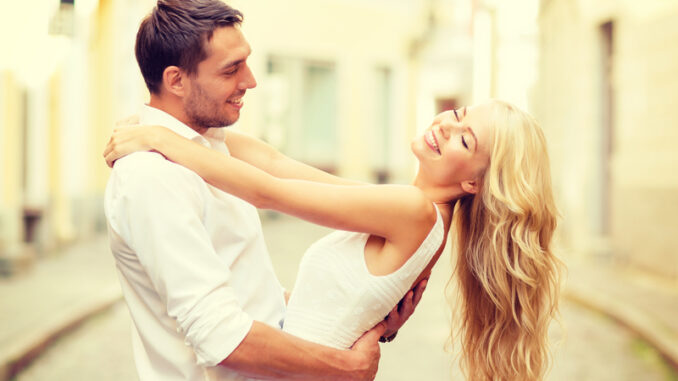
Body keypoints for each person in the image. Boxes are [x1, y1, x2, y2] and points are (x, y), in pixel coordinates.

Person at [104, 99, 563, 381]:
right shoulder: (411, 208)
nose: (447, 126)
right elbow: (274, 162)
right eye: (459, 114)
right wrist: (169, 123)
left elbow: (269, 191)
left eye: (467, 140)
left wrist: (161, 139)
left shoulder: (413, 212)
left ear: (475, 185)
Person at [103, 1, 424, 380]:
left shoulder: (209, 147)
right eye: (231, 69)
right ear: (176, 81)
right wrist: (346, 367)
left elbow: (260, 304)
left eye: (246, 62)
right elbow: (221, 336)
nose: (250, 80)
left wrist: (367, 312)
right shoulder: (152, 178)